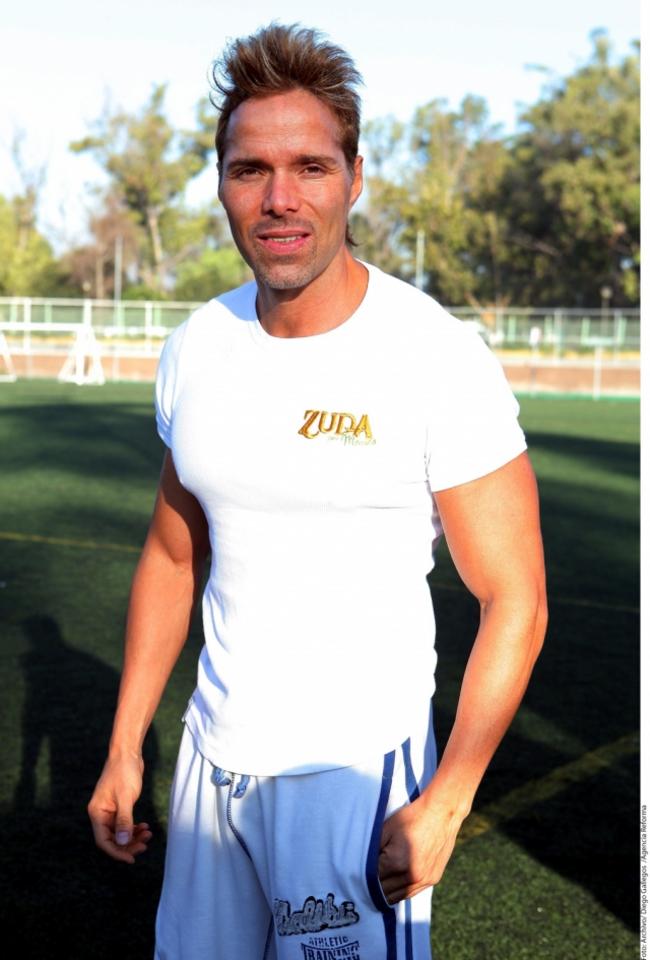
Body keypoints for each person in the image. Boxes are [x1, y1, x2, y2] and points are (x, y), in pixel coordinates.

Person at [88, 23, 547, 960]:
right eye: (250, 170)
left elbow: (516, 597)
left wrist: (449, 799)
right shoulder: (195, 349)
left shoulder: (434, 356)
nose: (280, 199)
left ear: (355, 177)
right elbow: (173, 556)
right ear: (221, 183)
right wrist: (127, 742)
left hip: (354, 776)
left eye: (310, 167)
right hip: (211, 766)